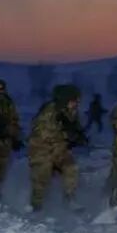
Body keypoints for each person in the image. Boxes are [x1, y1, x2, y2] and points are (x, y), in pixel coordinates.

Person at [27, 84, 86, 212]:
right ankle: (36, 205)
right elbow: (42, 133)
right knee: (42, 176)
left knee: (71, 168)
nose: (76, 103)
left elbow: (75, 127)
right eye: (74, 100)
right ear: (65, 99)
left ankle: (69, 198)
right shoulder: (49, 111)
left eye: (77, 100)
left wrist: (79, 136)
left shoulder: (71, 111)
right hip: (41, 148)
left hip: (59, 148)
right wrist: (66, 135)